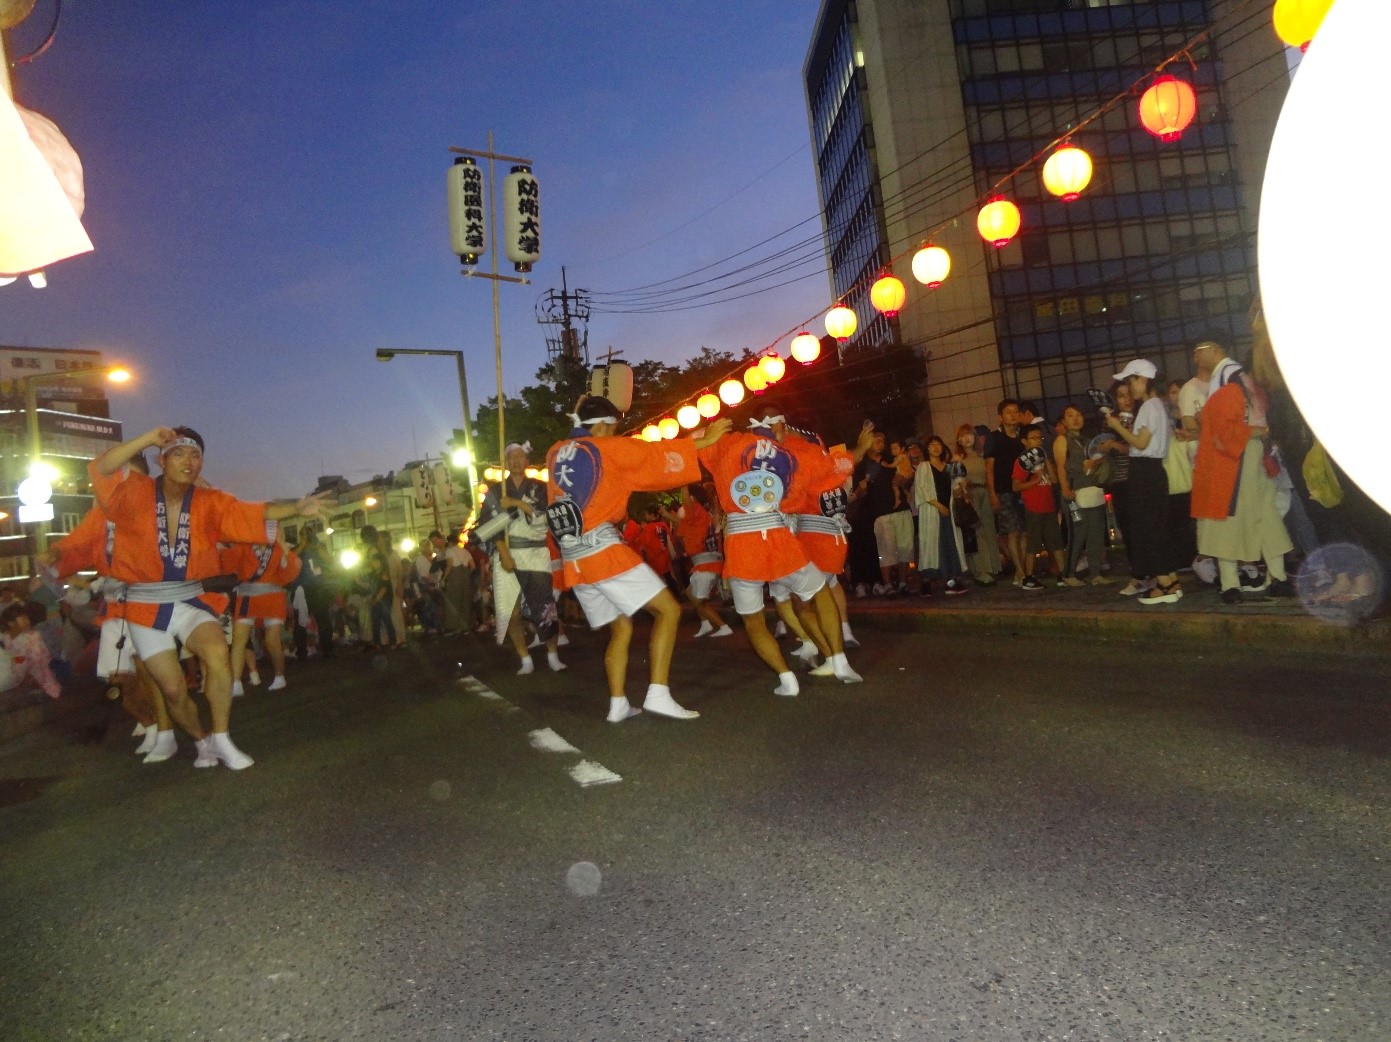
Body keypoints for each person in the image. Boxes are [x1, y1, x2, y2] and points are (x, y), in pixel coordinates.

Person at [89, 426, 325, 769]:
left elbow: (251, 512)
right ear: (162, 459)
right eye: (180, 453)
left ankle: (223, 737)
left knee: (216, 652)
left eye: (196, 455)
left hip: (189, 597)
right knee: (172, 690)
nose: (189, 461)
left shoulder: (208, 501)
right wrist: (147, 437)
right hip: (143, 604)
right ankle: (201, 742)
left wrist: (295, 508)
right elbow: (103, 467)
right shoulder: (135, 491)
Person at [546, 396, 731, 722]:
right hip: (601, 549)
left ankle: (618, 704)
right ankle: (658, 694)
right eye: (614, 427)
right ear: (602, 426)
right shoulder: (611, 449)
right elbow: (654, 458)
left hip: (574, 558)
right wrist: (705, 441)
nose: (616, 432)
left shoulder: (555, 453)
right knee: (669, 610)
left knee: (621, 627)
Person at [698, 404, 862, 693]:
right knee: (820, 592)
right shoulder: (794, 454)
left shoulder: (727, 444)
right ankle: (839, 660)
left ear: (750, 425)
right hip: (779, 538)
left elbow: (694, 446)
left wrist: (707, 434)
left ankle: (787, 679)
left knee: (754, 621)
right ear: (780, 426)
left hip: (741, 544)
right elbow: (824, 477)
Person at [1190, 342, 1295, 603]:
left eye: (1200, 350)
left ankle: (1230, 585)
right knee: (1265, 516)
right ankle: (1278, 578)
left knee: (1226, 519)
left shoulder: (1229, 384)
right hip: (1255, 455)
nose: (1196, 356)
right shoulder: (1257, 385)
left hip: (1234, 460)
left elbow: (1222, 434)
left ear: (1217, 351)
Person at [480, 441, 564, 674]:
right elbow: (487, 526)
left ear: (527, 461)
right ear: (506, 462)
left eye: (520, 457)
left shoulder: (540, 487)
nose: (516, 461)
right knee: (511, 610)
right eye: (511, 457)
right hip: (506, 552)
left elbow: (545, 516)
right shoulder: (496, 491)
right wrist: (503, 552)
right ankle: (525, 658)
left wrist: (516, 504)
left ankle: (552, 654)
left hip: (536, 552)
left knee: (545, 606)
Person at [1106, 360, 1183, 604]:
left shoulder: (1149, 406)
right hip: (1155, 471)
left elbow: (1140, 444)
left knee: (1148, 528)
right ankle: (1171, 580)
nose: (1130, 387)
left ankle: (1164, 584)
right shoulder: (1159, 406)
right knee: (1158, 526)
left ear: (1143, 379)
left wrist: (1116, 425)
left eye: (1131, 380)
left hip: (1144, 472)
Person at [223, 536, 301, 694]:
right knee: (239, 641)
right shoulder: (244, 546)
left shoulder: (278, 548)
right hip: (247, 596)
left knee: (271, 640)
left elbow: (290, 572)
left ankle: (280, 676)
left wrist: (281, 542)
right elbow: (229, 565)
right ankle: (236, 682)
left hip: (272, 596)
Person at [1053, 404, 1113, 586]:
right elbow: (1060, 468)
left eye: (1079, 415)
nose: (1076, 418)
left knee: (1095, 533)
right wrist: (1065, 490)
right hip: (1075, 492)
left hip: (1093, 491)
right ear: (1063, 421)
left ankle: (1095, 574)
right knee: (1077, 534)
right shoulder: (1062, 441)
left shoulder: (1088, 440)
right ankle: (1068, 574)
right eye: (1070, 415)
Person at [665, 485, 732, 638]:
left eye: (685, 500)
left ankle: (723, 626)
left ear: (692, 499)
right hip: (704, 563)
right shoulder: (697, 517)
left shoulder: (694, 510)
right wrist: (666, 515)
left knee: (698, 601)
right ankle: (705, 623)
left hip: (705, 563)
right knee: (689, 592)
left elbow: (685, 503)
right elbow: (680, 523)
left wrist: (683, 482)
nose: (682, 505)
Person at [1011, 424, 1065, 590]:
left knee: (1056, 541)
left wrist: (1047, 462)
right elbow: (1016, 486)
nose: (1038, 441)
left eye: (1039, 438)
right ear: (1025, 441)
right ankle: (1028, 576)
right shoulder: (1022, 462)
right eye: (1033, 438)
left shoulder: (1044, 458)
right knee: (1033, 543)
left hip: (1049, 507)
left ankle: (1063, 573)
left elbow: (1054, 481)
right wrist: (1036, 479)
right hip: (1033, 507)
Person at [914, 435, 969, 595]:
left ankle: (951, 580)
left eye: (939, 444)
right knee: (932, 545)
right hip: (932, 512)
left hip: (949, 512)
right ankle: (926, 581)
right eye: (932, 445)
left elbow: (954, 490)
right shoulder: (924, 466)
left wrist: (961, 487)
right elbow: (922, 490)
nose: (936, 447)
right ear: (927, 448)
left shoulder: (948, 467)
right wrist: (939, 506)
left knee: (950, 544)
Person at [985, 399, 1028, 585]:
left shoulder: (1024, 438)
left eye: (1015, 411)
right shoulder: (994, 438)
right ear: (1000, 417)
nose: (1012, 414)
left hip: (1024, 491)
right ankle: (1020, 572)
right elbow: (989, 470)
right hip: (1004, 491)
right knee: (1012, 532)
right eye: (1008, 412)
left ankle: (1023, 571)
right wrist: (993, 494)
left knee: (1025, 531)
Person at [1, 602, 61, 699]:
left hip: (35, 679)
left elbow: (21, 660)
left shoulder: (31, 636)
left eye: (27, 618)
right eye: (23, 619)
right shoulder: (13, 638)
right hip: (33, 679)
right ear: (11, 623)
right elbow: (19, 660)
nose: (27, 621)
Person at [440, 529, 476, 636]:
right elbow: (473, 566)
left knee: (453, 601)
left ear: (450, 542)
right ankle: (465, 627)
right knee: (465, 601)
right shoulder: (465, 551)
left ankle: (453, 627)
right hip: (466, 576)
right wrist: (466, 574)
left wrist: (444, 578)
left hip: (455, 577)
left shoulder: (450, 551)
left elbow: (450, 566)